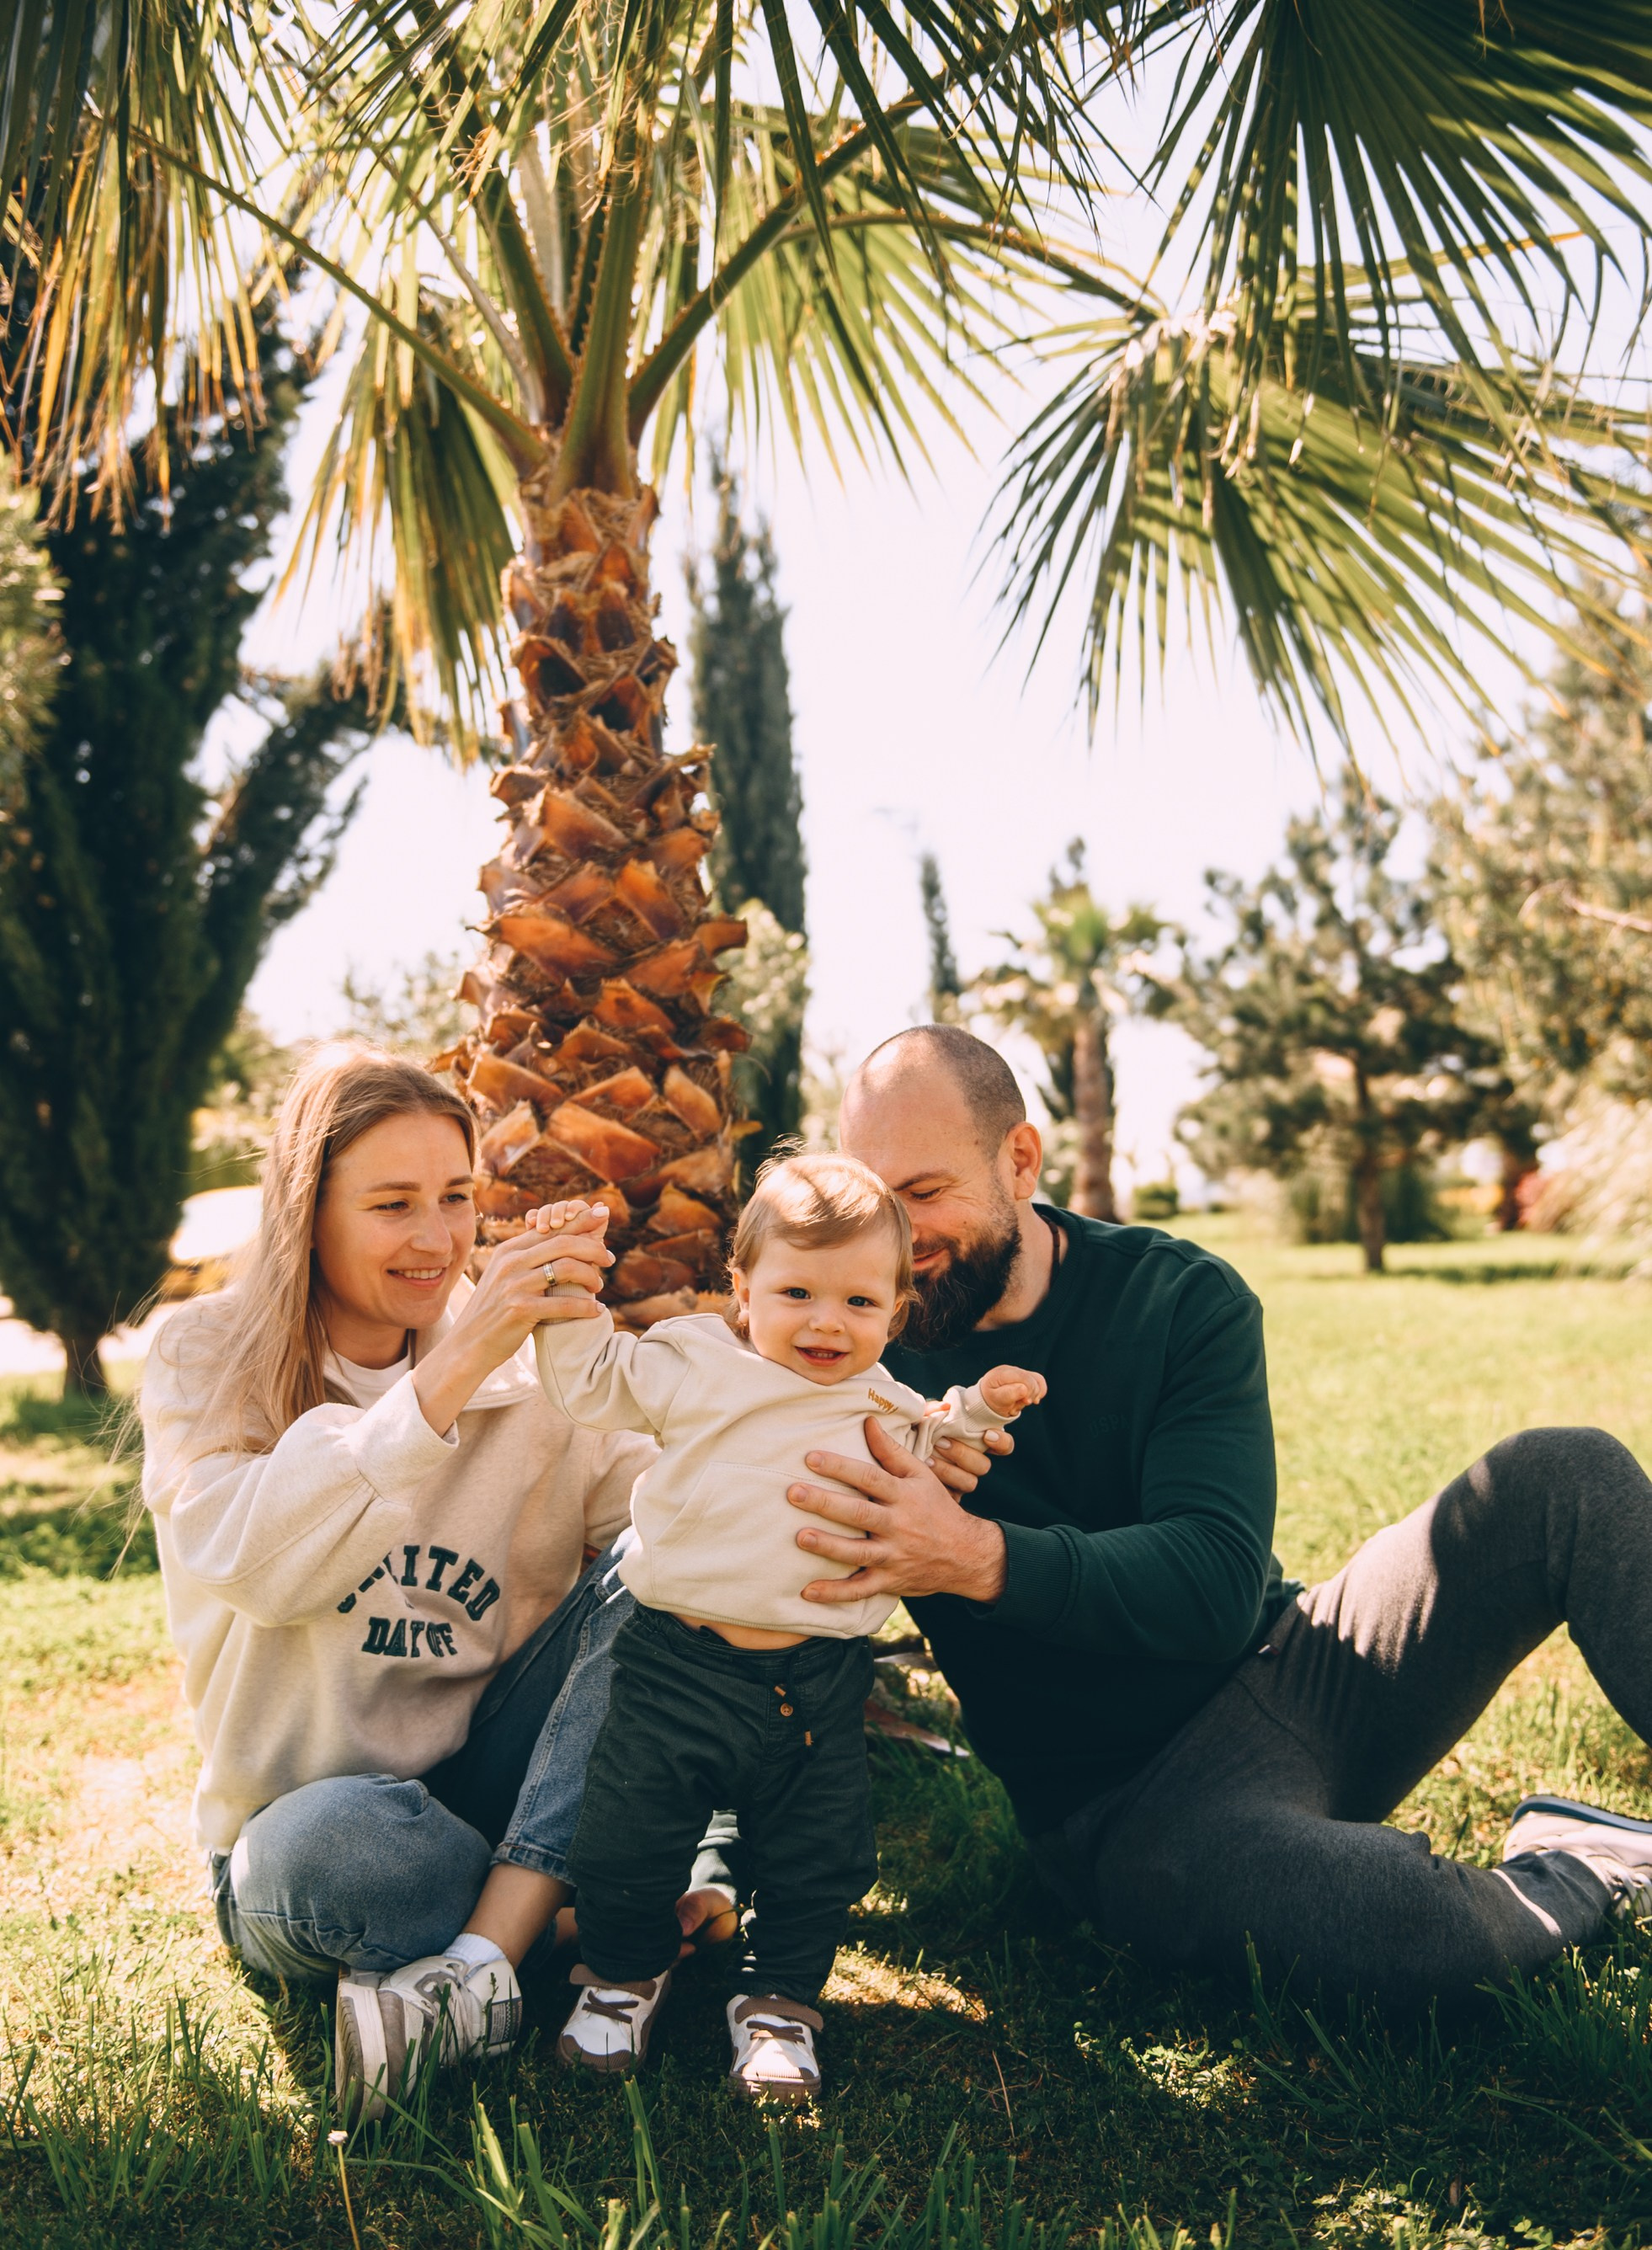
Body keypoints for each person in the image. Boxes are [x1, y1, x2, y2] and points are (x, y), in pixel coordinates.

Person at [759, 1021, 1652, 2013]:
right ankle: (1579, 1861)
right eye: (880, 1199)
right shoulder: (850, 1358)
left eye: (925, 1194)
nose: (901, 1234)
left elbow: (1221, 1582)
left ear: (1020, 1159)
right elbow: (740, 1611)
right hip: (1137, 1807)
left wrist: (978, 1557)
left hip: (1302, 1666)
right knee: (1418, 1930)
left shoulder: (1178, 1296)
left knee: (1566, 1475)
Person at [140, 1044, 733, 2125]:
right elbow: (261, 1570)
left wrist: (834, 1437)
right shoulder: (205, 1354)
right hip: (307, 1826)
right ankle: (570, 1912)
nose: (437, 1238)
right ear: (305, 1211)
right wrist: (450, 1367)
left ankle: (482, 1962)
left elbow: (679, 1534)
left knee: (659, 1567)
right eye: (394, 1203)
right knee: (340, 1852)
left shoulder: (539, 1369)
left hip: (502, 1774)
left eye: (457, 1197)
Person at [525, 1154, 1043, 2098]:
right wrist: (564, 1290)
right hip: (676, 1663)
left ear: (894, 1313)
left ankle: (777, 2002)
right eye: (796, 1290)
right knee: (625, 1840)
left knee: (818, 1855)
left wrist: (977, 1410)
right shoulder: (695, 1363)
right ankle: (623, 1975)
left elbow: (936, 1444)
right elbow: (591, 1380)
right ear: (742, 1290)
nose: (824, 1320)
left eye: (856, 1301)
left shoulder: (885, 1400)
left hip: (815, 1679)